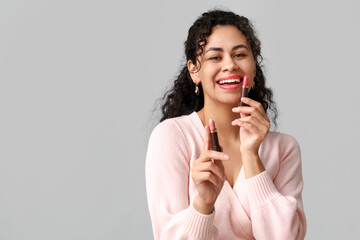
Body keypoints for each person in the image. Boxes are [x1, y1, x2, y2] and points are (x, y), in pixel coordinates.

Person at [145, 9, 306, 240]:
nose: (230, 65)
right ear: (194, 71)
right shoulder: (172, 137)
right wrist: (204, 203)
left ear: (253, 67)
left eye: (240, 55)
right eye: (215, 57)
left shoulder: (284, 148)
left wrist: (251, 156)